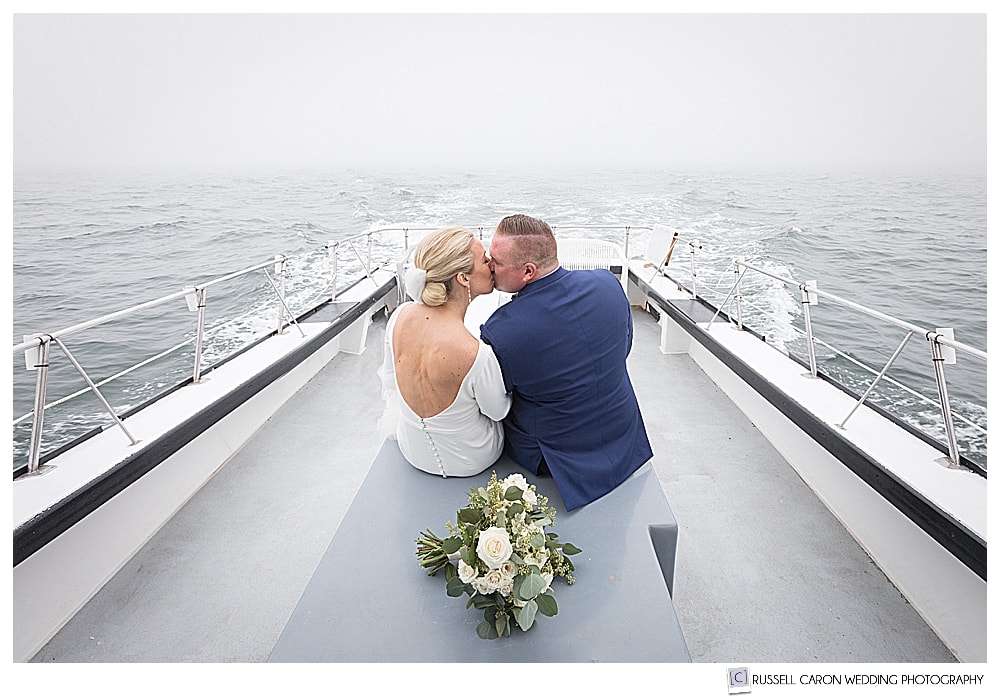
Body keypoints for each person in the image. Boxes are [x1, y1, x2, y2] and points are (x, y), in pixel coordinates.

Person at [480, 214, 653, 510]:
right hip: (622, 434)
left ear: (528, 271)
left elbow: (499, 403)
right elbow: (624, 348)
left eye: (495, 260)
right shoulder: (607, 283)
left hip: (557, 459)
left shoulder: (502, 330)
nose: (488, 265)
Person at [378, 226, 511, 477]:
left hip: (413, 449)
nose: (491, 263)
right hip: (472, 458)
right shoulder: (474, 353)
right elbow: (498, 411)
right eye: (484, 260)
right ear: (463, 278)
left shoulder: (399, 317)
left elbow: (390, 380)